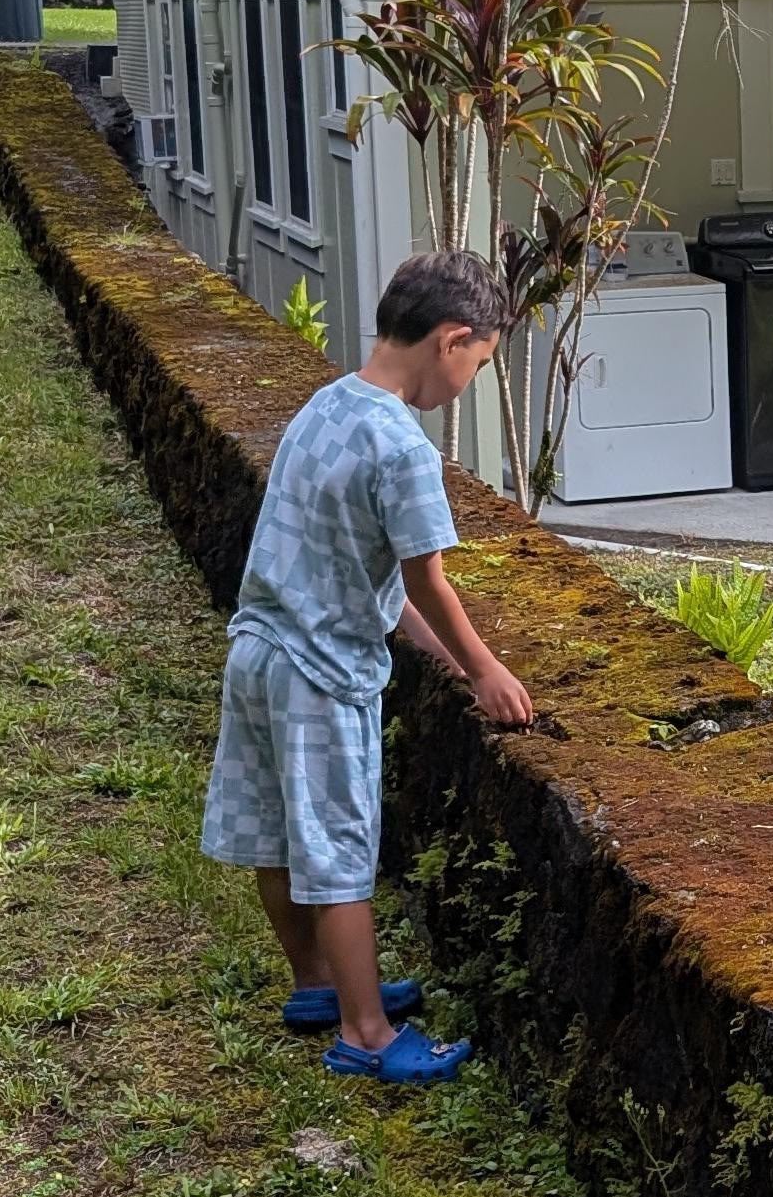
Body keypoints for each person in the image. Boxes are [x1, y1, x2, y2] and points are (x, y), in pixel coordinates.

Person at [202, 246, 535, 1083]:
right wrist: (485, 669)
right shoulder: (404, 448)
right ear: (452, 340)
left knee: (278, 834)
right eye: (481, 362)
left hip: (259, 650)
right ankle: (367, 1033)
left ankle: (316, 983)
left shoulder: (325, 405)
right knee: (340, 853)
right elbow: (425, 572)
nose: (470, 380)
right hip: (321, 675)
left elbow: (360, 567)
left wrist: (433, 652)